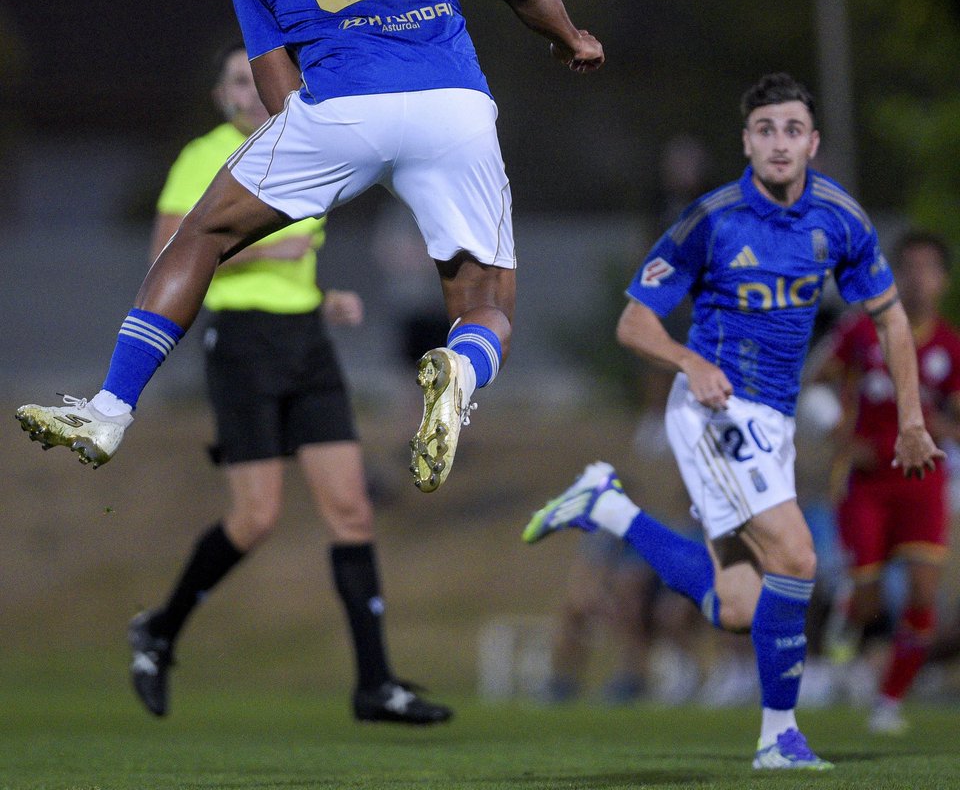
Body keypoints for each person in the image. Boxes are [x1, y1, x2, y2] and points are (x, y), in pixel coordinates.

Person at [16, 0, 604, 491]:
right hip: (453, 108)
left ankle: (110, 409)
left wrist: (319, 163)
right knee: (487, 305)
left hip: (342, 108)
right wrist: (573, 39)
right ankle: (462, 371)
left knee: (200, 234)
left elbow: (276, 89)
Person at [523, 72, 942, 771]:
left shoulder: (839, 219)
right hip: (714, 410)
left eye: (792, 130)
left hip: (771, 424)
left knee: (739, 606)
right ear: (747, 142)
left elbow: (893, 320)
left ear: (813, 142)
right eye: (765, 130)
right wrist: (688, 361)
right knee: (800, 555)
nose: (779, 143)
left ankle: (608, 507)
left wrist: (910, 420)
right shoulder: (711, 219)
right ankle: (779, 738)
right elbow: (634, 322)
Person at [126, 43, 451, 725]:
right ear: (221, 96)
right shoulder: (204, 157)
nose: (249, 93)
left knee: (352, 510)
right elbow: (167, 254)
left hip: (307, 340)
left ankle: (375, 684)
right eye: (236, 82)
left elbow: (295, 264)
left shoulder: (302, 147)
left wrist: (324, 297)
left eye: (258, 80)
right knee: (257, 518)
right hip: (241, 342)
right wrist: (273, 250)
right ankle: (161, 628)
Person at [810, 230, 960, 734]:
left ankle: (888, 701)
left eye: (928, 269)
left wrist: (940, 427)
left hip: (923, 481)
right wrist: (837, 431)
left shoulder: (949, 347)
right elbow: (814, 383)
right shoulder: (860, 331)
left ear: (942, 280)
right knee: (870, 597)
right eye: (909, 267)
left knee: (922, 595)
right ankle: (845, 621)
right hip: (867, 481)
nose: (917, 279)